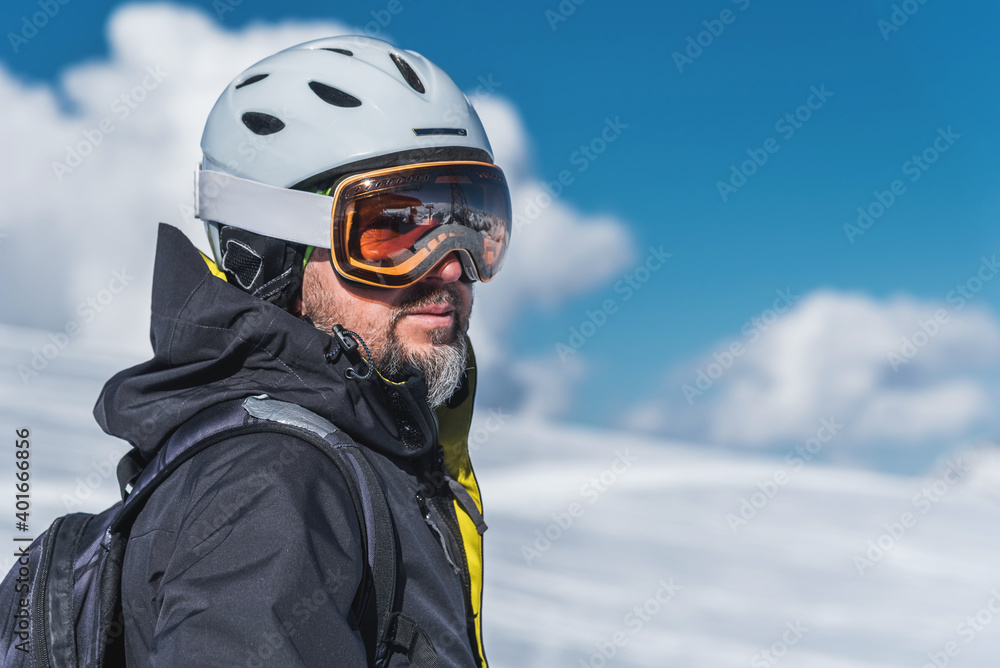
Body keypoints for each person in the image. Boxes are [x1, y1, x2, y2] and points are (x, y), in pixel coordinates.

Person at [93, 35, 510, 666]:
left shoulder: (358, 457)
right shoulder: (275, 480)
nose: (452, 268)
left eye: (474, 224)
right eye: (395, 228)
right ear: (270, 253)